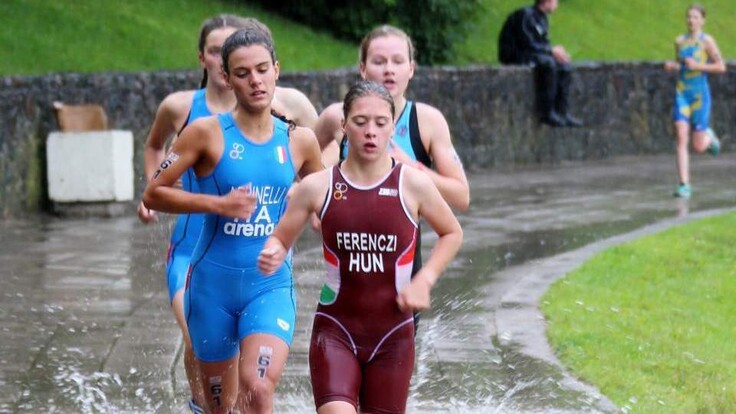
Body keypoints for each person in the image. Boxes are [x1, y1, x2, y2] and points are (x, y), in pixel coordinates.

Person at [136, 14, 319, 413]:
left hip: (269, 284)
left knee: (258, 388)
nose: (255, 80)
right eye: (242, 73)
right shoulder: (204, 132)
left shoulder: (300, 140)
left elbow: (327, 198)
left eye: (262, 70)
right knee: (220, 405)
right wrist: (217, 205)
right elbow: (154, 192)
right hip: (210, 288)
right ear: (227, 78)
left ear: (276, 71)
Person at [258, 80, 463, 414]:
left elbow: (452, 233)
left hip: (394, 336)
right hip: (335, 331)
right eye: (360, 122)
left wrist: (424, 280)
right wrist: (274, 250)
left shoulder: (412, 185)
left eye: (381, 124)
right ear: (343, 125)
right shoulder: (318, 186)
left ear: (392, 129)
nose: (371, 132)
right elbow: (281, 237)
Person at [314, 25, 469, 331]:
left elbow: (461, 196)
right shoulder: (336, 118)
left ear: (411, 69)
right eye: (379, 61)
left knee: (392, 366)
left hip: (401, 263)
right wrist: (315, 199)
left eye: (398, 61)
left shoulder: (426, 121)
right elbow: (305, 161)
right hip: (348, 259)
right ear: (362, 68)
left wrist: (414, 167)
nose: (389, 70)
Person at [663, 3, 726, 199]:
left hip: (699, 95)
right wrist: (673, 66)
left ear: (702, 21)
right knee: (681, 136)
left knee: (698, 146)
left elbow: (721, 67)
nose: (691, 21)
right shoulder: (679, 41)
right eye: (689, 17)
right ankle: (684, 184)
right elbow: (681, 64)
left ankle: (709, 138)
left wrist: (699, 65)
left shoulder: (707, 41)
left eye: (695, 17)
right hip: (682, 93)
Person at [497, 0, 582, 127]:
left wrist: (557, 53)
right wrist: (551, 51)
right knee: (548, 64)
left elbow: (542, 43)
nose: (557, 4)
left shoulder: (542, 19)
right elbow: (527, 43)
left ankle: (562, 111)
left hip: (531, 53)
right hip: (515, 54)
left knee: (563, 66)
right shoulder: (525, 16)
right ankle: (546, 112)